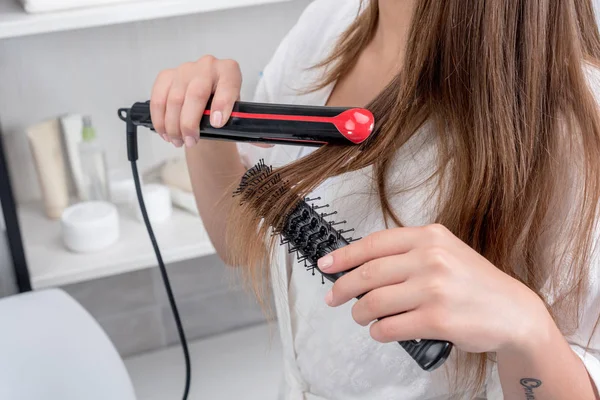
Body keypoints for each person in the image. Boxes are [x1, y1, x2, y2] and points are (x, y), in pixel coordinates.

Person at [149, 1, 600, 398]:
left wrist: (528, 331)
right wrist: (204, 128)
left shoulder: (571, 121)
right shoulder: (328, 23)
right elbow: (239, 242)